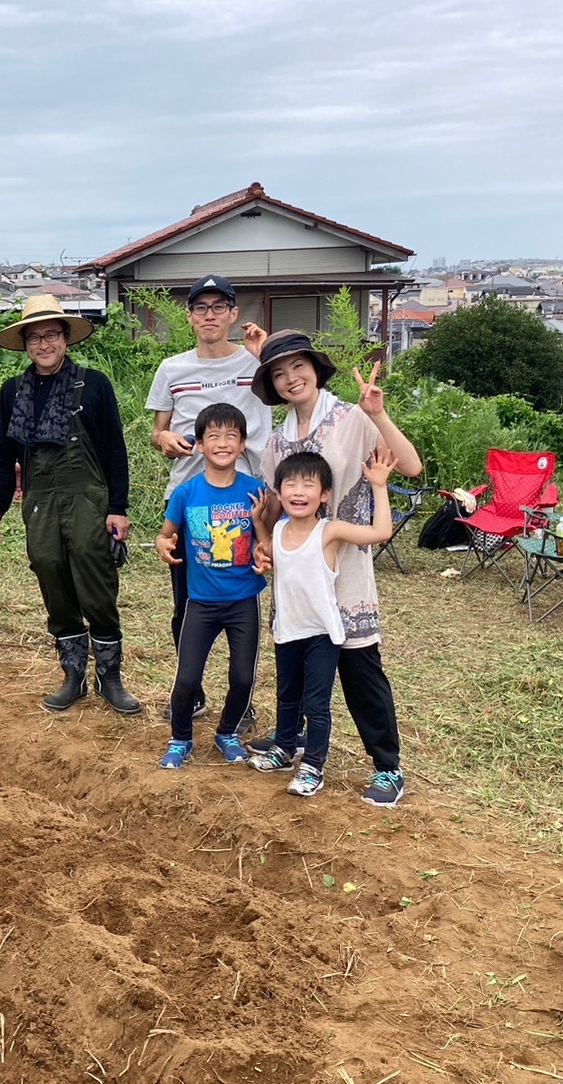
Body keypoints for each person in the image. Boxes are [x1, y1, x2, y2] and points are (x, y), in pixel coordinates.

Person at [248, 330, 423, 806]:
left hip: (347, 565)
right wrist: (264, 546)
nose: (290, 379)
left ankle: (388, 767)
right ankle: (294, 743)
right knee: (299, 665)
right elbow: (275, 508)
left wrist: (378, 413)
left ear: (315, 369)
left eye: (297, 367)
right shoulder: (278, 441)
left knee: (359, 667)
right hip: (298, 574)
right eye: (278, 374)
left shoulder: (350, 418)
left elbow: (409, 466)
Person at [0, 295, 140, 715]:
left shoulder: (94, 384)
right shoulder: (13, 391)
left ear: (66, 337)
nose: (43, 344)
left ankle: (111, 678)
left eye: (51, 334)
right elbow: (4, 454)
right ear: (25, 343)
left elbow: (115, 452)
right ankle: (73, 675)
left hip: (89, 497)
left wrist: (118, 508)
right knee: (50, 573)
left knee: (95, 581)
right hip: (39, 502)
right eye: (34, 337)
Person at [145, 275, 273, 728]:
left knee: (245, 596)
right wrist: (165, 440)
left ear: (234, 314)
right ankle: (192, 691)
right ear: (190, 316)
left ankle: (242, 700)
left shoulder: (255, 361)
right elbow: (158, 429)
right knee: (187, 606)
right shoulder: (172, 369)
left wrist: (265, 353)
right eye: (201, 308)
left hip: (248, 499)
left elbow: (292, 385)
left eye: (220, 307)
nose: (210, 315)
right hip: (190, 499)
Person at [249, 450, 397, 796]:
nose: (298, 492)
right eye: (290, 484)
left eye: (308, 485)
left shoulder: (329, 531)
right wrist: (259, 524)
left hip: (322, 635)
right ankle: (284, 750)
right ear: (279, 491)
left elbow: (382, 531)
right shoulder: (281, 527)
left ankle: (313, 766)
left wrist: (378, 486)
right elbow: (269, 551)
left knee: (316, 705)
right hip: (287, 631)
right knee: (287, 697)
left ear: (324, 495)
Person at [153, 403, 268, 769]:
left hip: (243, 601)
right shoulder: (187, 493)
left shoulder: (256, 491)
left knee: (242, 676)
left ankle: (227, 733)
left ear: (243, 444)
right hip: (200, 603)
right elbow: (166, 534)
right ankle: (181, 738)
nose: (222, 443)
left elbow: (266, 540)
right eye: (213, 437)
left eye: (231, 436)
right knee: (187, 679)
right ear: (199, 445)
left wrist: (260, 532)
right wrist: (162, 545)